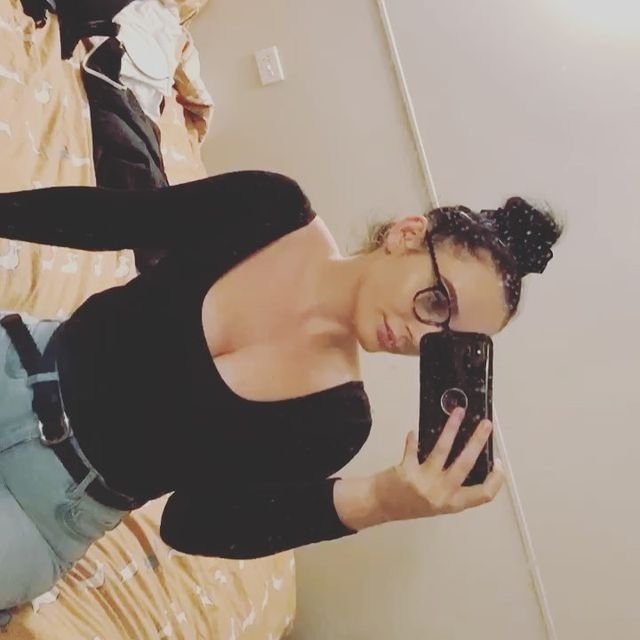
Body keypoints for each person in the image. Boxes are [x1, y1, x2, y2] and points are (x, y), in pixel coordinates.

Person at [0, 170, 563, 609]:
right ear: (407, 234)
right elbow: (114, 218)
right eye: (436, 301)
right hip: (20, 365)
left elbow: (190, 523)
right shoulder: (270, 208)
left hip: (50, 512)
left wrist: (381, 501)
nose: (420, 335)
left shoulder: (337, 421)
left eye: (443, 342)